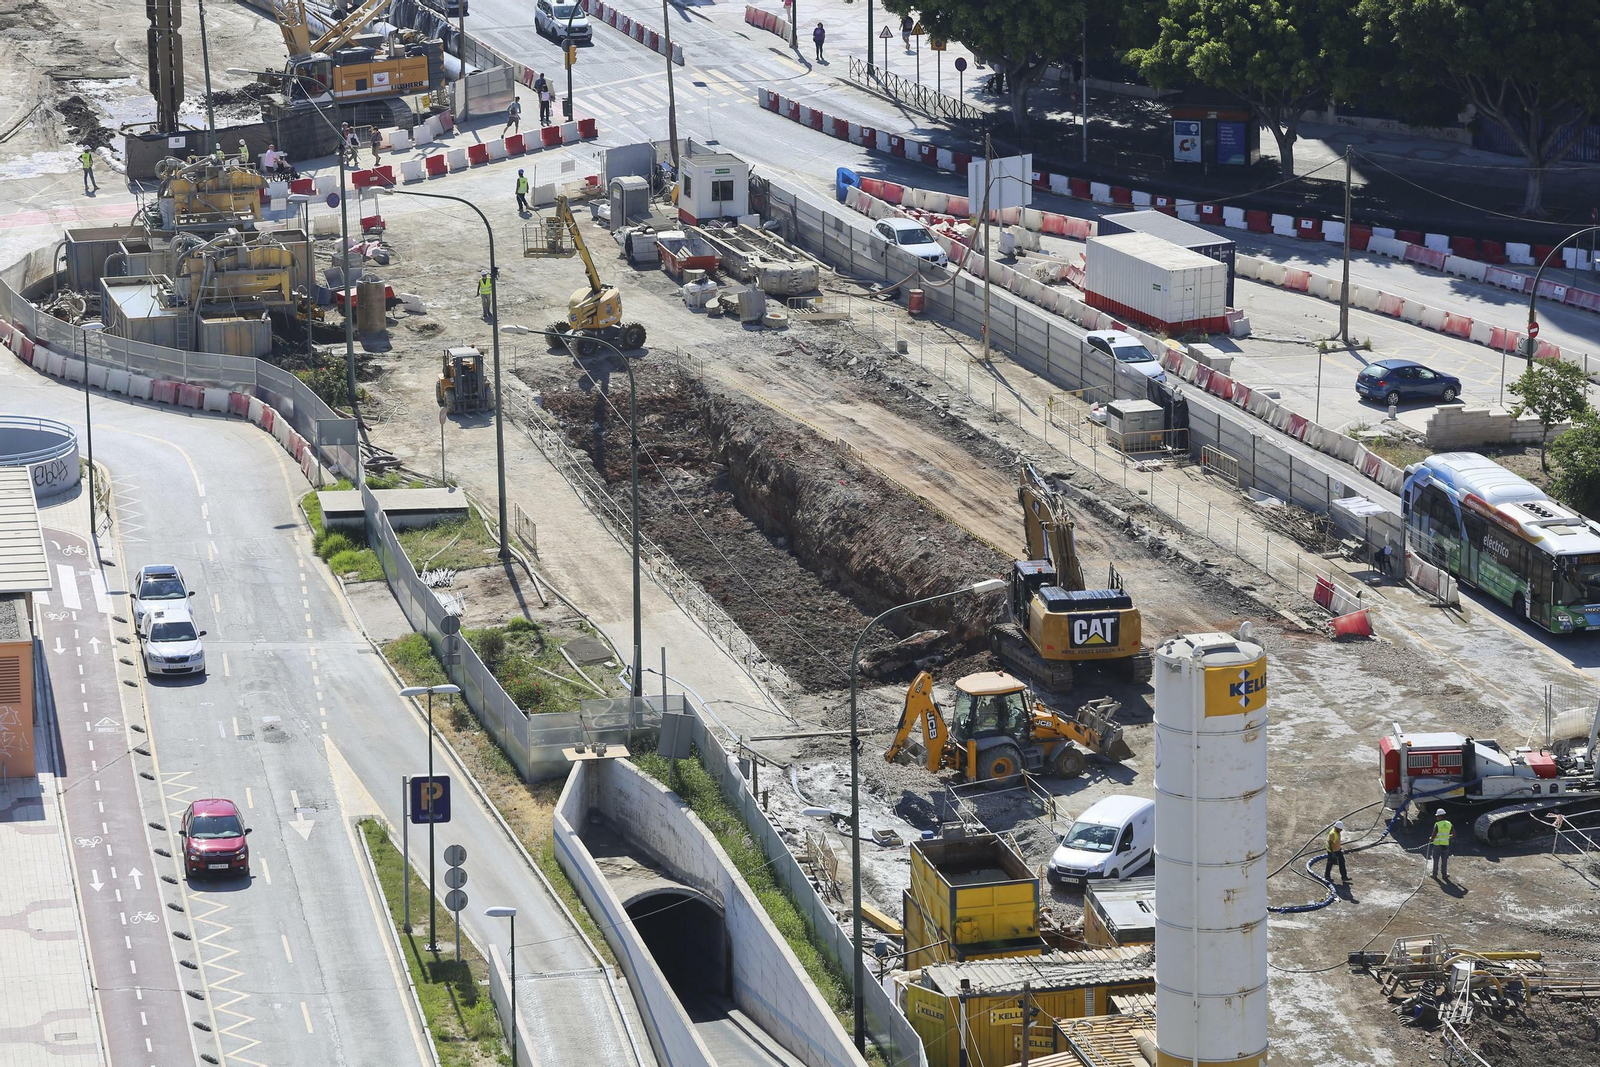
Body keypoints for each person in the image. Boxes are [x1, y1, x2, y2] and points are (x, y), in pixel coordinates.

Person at [1430, 808, 1454, 881]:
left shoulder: (1437, 824)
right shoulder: (1449, 824)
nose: (1437, 817)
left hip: (1437, 845)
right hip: (1445, 845)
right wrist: (1447, 836)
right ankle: (1444, 874)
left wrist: (1431, 839)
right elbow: (1454, 834)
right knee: (1444, 860)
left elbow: (1434, 834)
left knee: (1436, 859)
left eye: (1437, 816)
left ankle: (1434, 874)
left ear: (1441, 816)